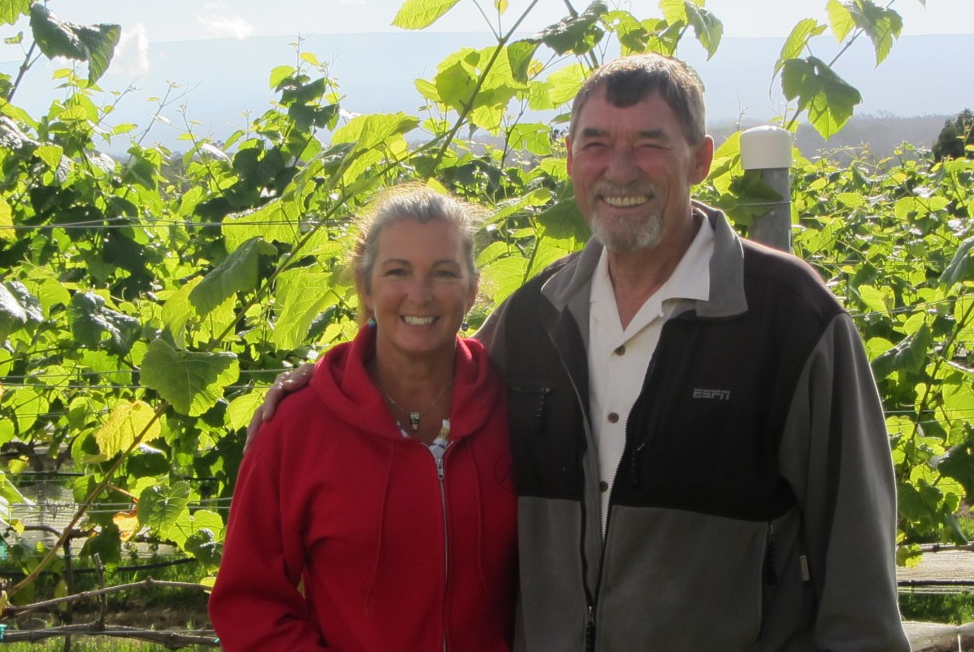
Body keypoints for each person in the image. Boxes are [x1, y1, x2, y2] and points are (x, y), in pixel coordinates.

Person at [253, 54, 908, 651]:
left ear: (702, 158)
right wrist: (323, 385)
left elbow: (859, 582)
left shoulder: (790, 321)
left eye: (649, 144)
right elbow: (422, 377)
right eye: (596, 144)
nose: (619, 170)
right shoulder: (536, 317)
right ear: (569, 158)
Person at [210, 186, 517, 651]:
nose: (420, 294)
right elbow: (249, 602)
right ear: (365, 286)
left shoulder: (518, 407)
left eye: (443, 273)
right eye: (397, 272)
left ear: (473, 289)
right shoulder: (299, 426)